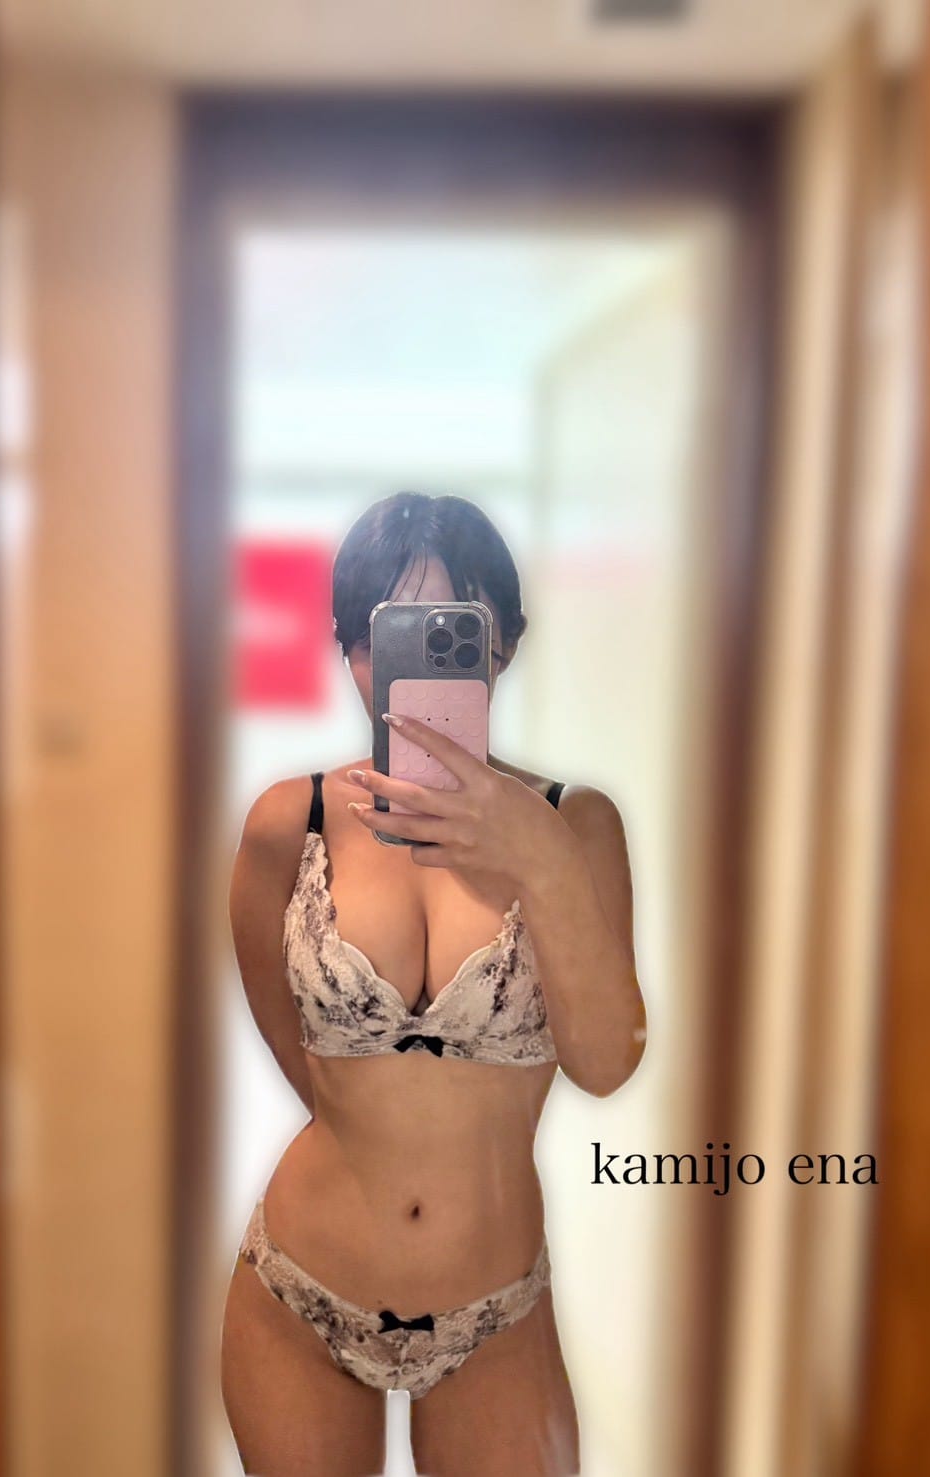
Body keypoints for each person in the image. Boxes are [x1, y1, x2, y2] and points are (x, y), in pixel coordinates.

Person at [220, 491, 646, 1476]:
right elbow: (287, 1036)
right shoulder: (290, 821)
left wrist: (539, 861)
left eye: (450, 634)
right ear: (348, 649)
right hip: (299, 1287)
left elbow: (606, 1063)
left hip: (496, 1310)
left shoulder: (575, 825)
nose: (411, 671)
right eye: (383, 637)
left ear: (502, 645)